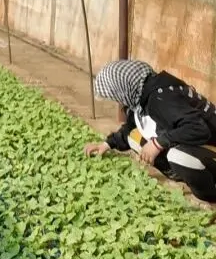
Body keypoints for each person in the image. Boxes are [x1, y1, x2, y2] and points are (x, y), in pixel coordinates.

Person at [84, 59, 216, 202]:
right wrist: (106, 144)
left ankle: (209, 192)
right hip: (198, 145)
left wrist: (157, 144)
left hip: (210, 143)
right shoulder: (143, 95)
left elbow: (198, 128)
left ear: (123, 89)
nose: (119, 101)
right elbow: (131, 127)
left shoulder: (161, 98)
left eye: (116, 96)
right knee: (134, 136)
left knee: (178, 156)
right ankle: (179, 172)